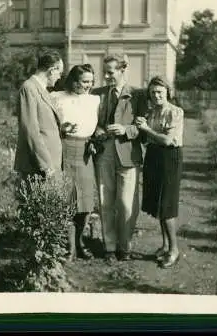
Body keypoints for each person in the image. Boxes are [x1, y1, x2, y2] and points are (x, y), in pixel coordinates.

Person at [91, 55, 147, 264]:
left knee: (126, 203)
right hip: (104, 153)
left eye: (110, 72)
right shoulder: (97, 94)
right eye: (104, 72)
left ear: (123, 70)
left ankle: (125, 245)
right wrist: (96, 129)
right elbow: (91, 121)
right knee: (105, 201)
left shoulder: (137, 95)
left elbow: (144, 127)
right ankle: (110, 246)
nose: (105, 77)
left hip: (127, 153)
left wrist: (126, 130)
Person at [50, 64, 101, 261]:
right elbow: (47, 123)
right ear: (73, 81)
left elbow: (99, 125)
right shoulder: (57, 97)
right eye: (84, 81)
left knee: (86, 202)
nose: (88, 85)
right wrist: (61, 128)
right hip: (64, 148)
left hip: (85, 151)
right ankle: (69, 247)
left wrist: (96, 137)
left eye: (90, 81)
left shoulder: (95, 100)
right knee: (68, 200)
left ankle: (80, 242)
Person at [135, 76, 185, 269]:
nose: (156, 96)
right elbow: (148, 138)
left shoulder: (175, 112)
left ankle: (174, 250)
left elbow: (166, 140)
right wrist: (141, 125)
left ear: (168, 93)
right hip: (154, 156)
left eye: (160, 92)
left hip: (169, 158)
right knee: (157, 203)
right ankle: (165, 245)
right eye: (153, 92)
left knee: (167, 205)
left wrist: (146, 128)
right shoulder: (152, 111)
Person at [13, 50, 66, 180]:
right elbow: (30, 130)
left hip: (50, 163)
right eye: (59, 73)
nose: (59, 77)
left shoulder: (42, 89)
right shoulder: (29, 88)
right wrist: (46, 165)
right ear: (52, 70)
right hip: (38, 167)